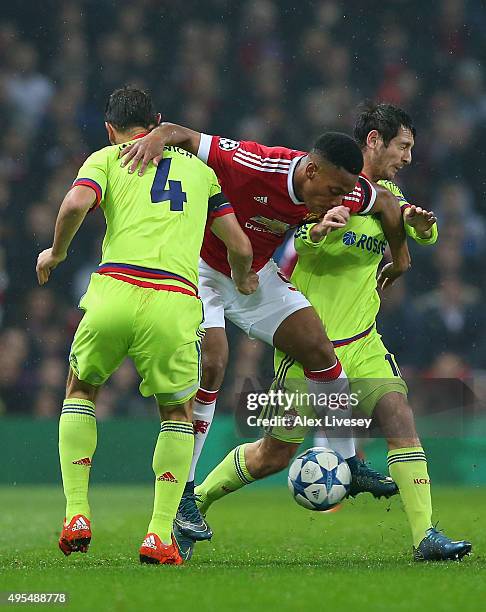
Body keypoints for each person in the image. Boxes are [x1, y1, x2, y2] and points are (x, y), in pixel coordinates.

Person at [194, 101, 469, 561]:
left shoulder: (386, 196)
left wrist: (419, 230)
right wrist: (319, 230)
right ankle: (197, 499)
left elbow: (411, 228)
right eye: (402, 146)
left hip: (363, 340)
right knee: (273, 455)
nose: (407, 157)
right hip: (310, 347)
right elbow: (294, 250)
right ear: (374, 141)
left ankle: (425, 537)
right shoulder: (321, 190)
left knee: (399, 415)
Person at [121, 125, 411, 542]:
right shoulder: (254, 162)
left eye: (344, 194)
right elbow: (182, 134)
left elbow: (384, 201)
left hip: (254, 275)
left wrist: (399, 257)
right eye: (332, 192)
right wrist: (156, 138)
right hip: (200, 270)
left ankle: (350, 464)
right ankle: (184, 492)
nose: (338, 201)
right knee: (214, 363)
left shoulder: (343, 188)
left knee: (319, 350)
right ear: (310, 171)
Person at [36, 86, 255, 566]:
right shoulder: (201, 173)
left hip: (114, 290)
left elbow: (74, 206)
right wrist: (241, 279)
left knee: (81, 389)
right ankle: (158, 535)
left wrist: (57, 252)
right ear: (156, 122)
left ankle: (76, 513)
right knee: (176, 415)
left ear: (110, 128)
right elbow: (238, 245)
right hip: (173, 301)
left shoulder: (106, 158)